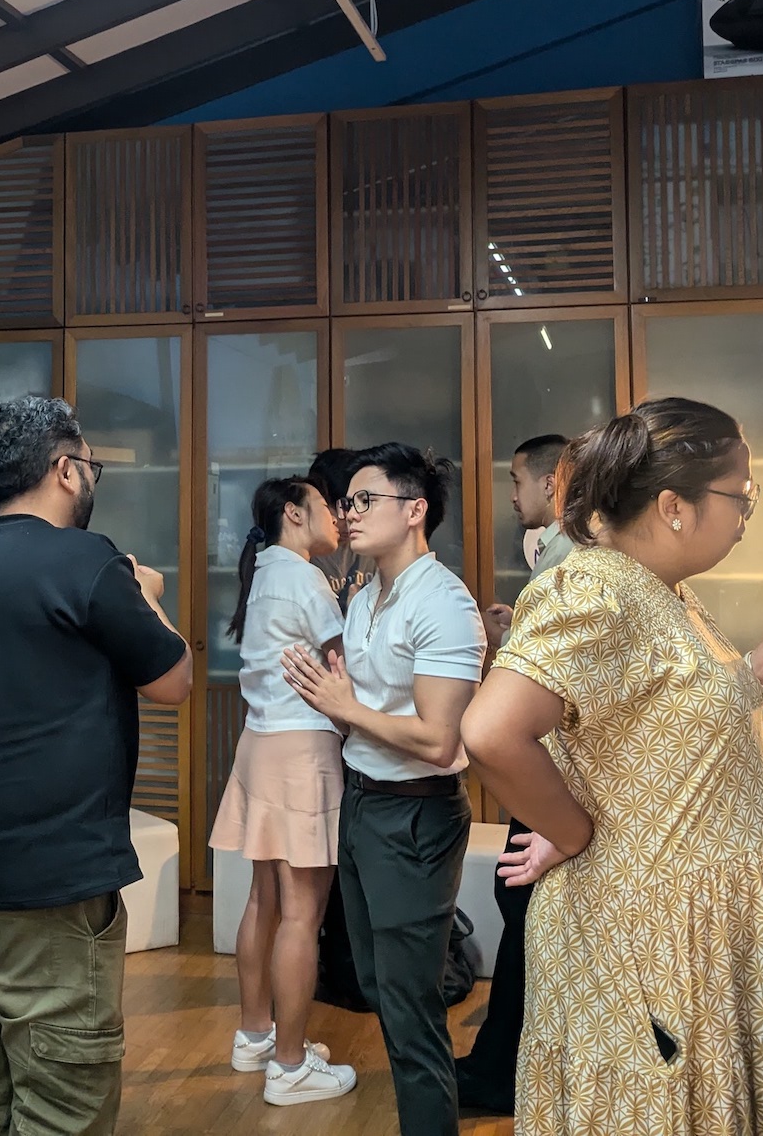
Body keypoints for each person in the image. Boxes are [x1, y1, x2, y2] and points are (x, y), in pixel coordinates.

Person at [461, 399, 763, 1136]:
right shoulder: (596, 588)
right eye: (741, 495)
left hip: (700, 921)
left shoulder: (666, 592)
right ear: (673, 506)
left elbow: (652, 725)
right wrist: (571, 830)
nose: (747, 514)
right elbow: (493, 731)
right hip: (652, 931)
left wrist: (762, 663)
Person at [0, 395, 192, 1136]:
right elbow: (173, 680)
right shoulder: (88, 560)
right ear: (66, 469)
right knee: (64, 1101)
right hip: (55, 874)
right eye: (90, 464)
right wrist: (148, 595)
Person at [280, 443, 484, 1136]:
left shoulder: (444, 603)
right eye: (347, 502)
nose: (350, 513)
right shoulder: (366, 595)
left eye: (367, 500)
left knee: (409, 1005)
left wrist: (346, 708)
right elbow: (363, 709)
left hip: (415, 815)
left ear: (415, 510)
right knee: (374, 984)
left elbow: (440, 741)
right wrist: (327, 699)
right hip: (363, 801)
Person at [208, 477, 357, 1106]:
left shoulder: (267, 569)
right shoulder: (304, 576)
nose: (339, 517)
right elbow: (345, 662)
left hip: (260, 742)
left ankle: (255, 1036)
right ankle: (291, 1067)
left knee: (263, 900)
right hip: (301, 751)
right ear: (294, 514)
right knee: (302, 913)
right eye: (327, 507)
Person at [458, 431, 574, 1116]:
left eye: (516, 480)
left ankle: (505, 1072)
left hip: (551, 771)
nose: (512, 495)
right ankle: (503, 1064)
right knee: (522, 910)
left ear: (552, 483)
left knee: (524, 910)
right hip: (547, 768)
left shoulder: (568, 563)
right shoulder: (553, 557)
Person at [307, 447, 371, 612]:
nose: (351, 517)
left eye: (360, 504)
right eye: (341, 507)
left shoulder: (374, 548)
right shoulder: (304, 558)